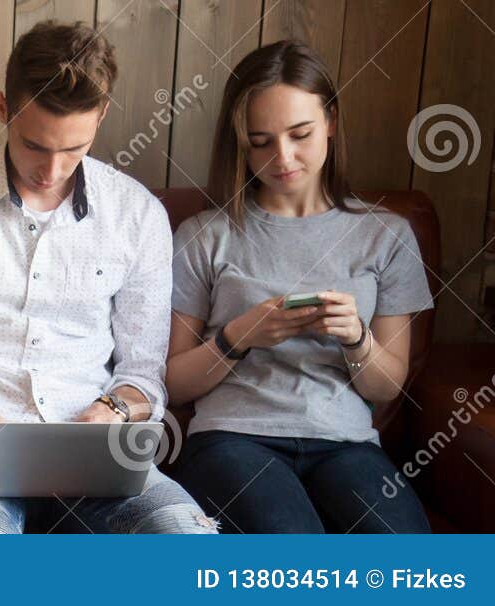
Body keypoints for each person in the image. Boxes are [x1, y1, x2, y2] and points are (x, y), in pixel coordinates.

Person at [0, 21, 216, 534]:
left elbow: (143, 374)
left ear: (101, 118)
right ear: (3, 108)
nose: (51, 172)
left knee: (185, 538)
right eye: (34, 146)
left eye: (73, 150)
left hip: (95, 458)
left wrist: (113, 409)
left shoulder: (137, 214)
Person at [166, 41, 433, 534]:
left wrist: (356, 337)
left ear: (330, 120)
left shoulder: (388, 234)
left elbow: (386, 385)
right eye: (260, 141)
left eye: (300, 134)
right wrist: (238, 337)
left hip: (346, 443)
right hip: (232, 438)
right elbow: (173, 382)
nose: (282, 158)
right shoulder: (205, 235)